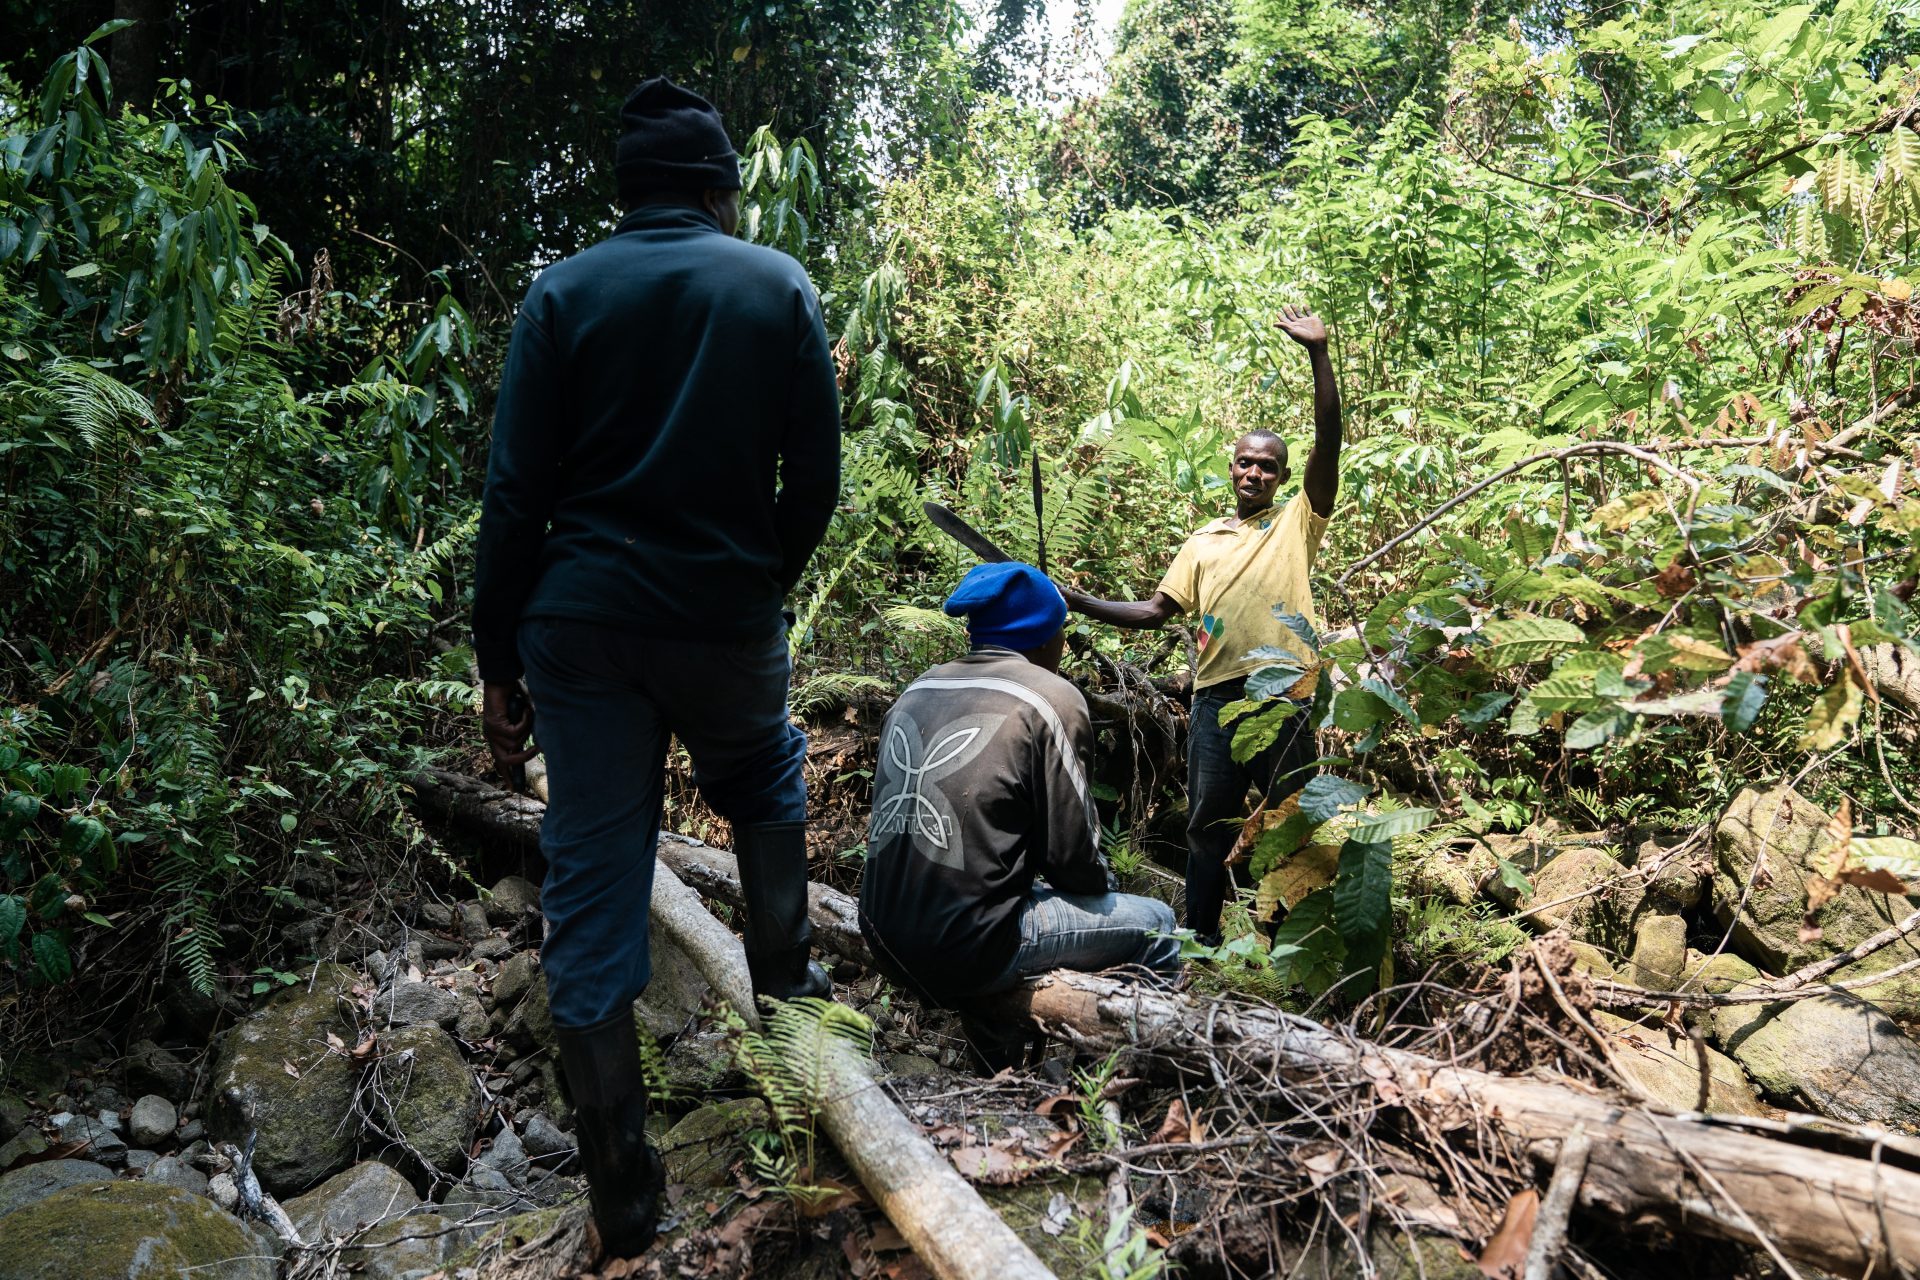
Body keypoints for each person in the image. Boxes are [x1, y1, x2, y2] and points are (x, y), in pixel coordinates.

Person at [469, 78, 840, 1257]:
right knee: (767, 788)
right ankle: (794, 1084)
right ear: (721, 187)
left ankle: (623, 1194)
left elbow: (515, 497)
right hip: (725, 618)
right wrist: (752, 580)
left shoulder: (562, 294)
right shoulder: (777, 286)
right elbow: (815, 480)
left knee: (590, 876)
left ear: (627, 190)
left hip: (578, 629)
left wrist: (497, 660)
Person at [1062, 305, 1342, 946]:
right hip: (1215, 699)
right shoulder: (1203, 541)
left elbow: (1329, 440)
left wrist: (1318, 354)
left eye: (1269, 466)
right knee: (1207, 825)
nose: (1255, 473)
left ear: (1282, 476)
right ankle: (1202, 944)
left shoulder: (1297, 521)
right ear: (1233, 465)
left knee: (1291, 821)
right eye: (1247, 462)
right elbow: (1155, 612)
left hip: (1287, 693)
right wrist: (1075, 600)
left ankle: (1291, 946)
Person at [859, 561, 1183, 1066]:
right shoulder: (1050, 697)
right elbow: (1073, 860)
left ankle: (1000, 1072)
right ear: (1042, 634)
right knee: (1158, 924)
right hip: (969, 946)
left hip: (882, 933)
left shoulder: (919, 687)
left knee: (990, 899)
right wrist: (1103, 887)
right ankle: (1120, 1079)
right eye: (1061, 630)